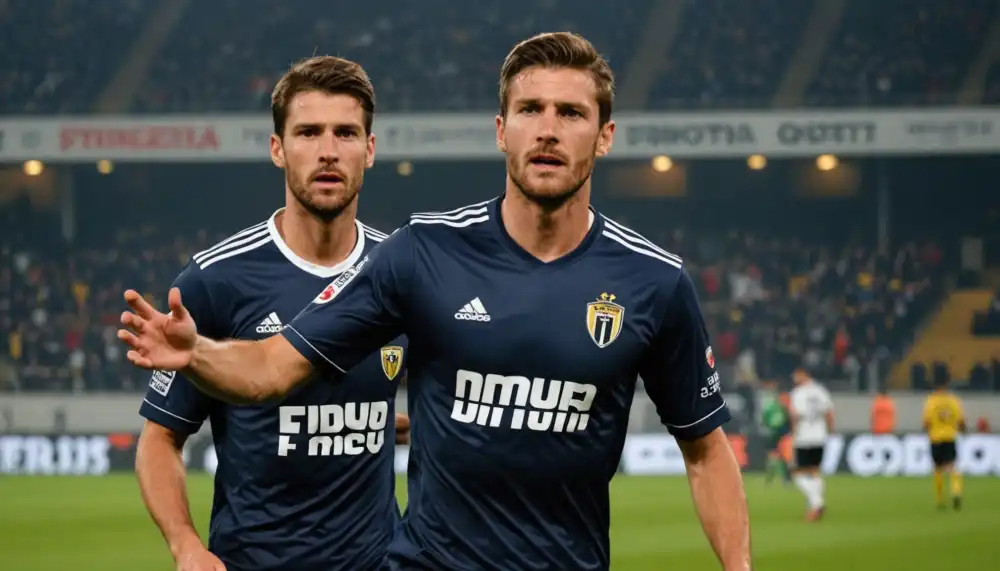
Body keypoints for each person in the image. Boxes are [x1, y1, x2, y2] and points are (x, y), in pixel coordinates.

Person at [119, 32, 751, 571]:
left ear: (605, 135)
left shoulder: (655, 281)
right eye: (530, 110)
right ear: (501, 130)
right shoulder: (422, 253)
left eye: (571, 113)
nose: (548, 130)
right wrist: (197, 353)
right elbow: (271, 368)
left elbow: (705, 448)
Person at [133, 56, 409, 571]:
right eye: (308, 132)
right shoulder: (216, 280)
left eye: (346, 133)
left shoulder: (399, 269)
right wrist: (185, 545)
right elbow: (160, 438)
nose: (328, 151)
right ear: (278, 148)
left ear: (370, 150)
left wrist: (375, 417)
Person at [788, 367, 833, 522]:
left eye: (796, 376)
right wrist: (829, 431)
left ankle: (817, 502)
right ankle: (815, 505)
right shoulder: (821, 391)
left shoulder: (798, 393)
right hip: (820, 436)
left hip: (804, 437)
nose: (794, 379)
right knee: (814, 471)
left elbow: (795, 416)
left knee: (797, 473)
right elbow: (829, 413)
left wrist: (793, 435)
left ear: (803, 375)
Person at [922, 376, 965, 510]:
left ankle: (940, 500)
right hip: (950, 437)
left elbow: (926, 422)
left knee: (937, 469)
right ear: (947, 384)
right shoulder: (953, 401)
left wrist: (928, 430)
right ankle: (956, 491)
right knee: (952, 467)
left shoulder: (931, 401)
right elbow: (961, 422)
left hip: (936, 438)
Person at [759, 381, 791, 485]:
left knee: (774, 455)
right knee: (782, 455)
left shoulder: (770, 405)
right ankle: (785, 478)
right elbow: (789, 417)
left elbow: (763, 419)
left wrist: (766, 425)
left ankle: (770, 478)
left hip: (772, 432)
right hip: (781, 432)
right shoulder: (783, 406)